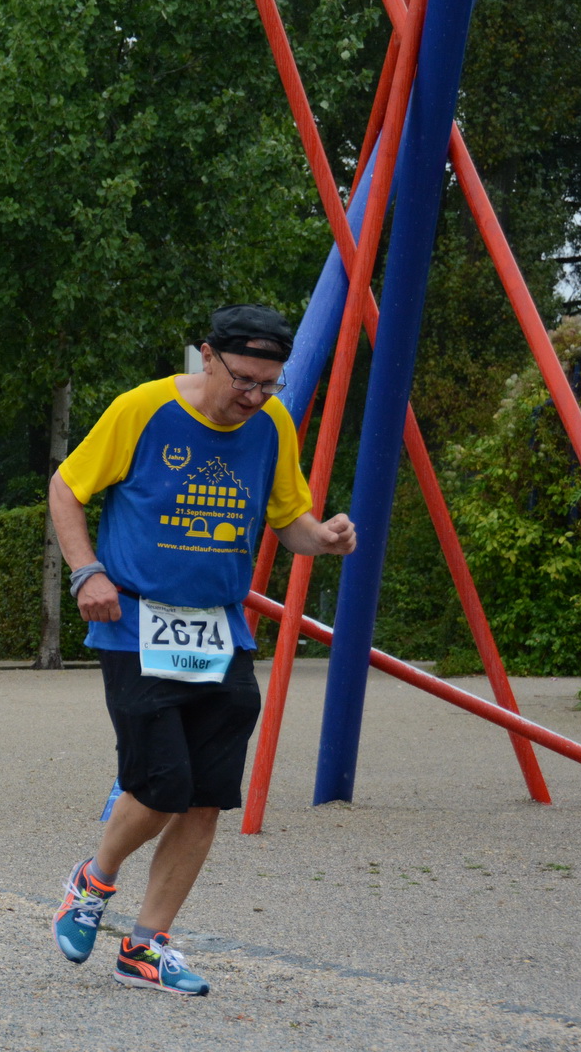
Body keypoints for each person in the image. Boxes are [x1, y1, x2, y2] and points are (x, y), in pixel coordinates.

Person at [48, 304, 356, 997]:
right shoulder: (143, 408)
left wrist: (325, 538)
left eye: (268, 385)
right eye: (244, 379)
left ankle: (146, 945)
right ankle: (91, 881)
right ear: (206, 356)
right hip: (135, 622)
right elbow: (66, 486)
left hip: (221, 629)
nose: (254, 397)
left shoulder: (272, 426)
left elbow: (289, 521)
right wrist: (85, 570)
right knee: (161, 783)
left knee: (206, 798)